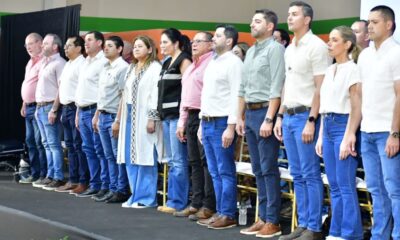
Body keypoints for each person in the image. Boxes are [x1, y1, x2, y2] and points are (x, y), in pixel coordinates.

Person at [273, 1, 330, 239]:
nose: (290, 18)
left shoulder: (316, 46)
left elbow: (321, 87)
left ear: (307, 19)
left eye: (295, 14)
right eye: (289, 14)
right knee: (296, 173)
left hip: (307, 116)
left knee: (309, 173)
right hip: (288, 116)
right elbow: (287, 83)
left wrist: (312, 120)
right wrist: (279, 115)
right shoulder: (289, 48)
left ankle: (314, 227)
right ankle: (303, 223)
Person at [236, 9, 285, 237]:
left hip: (266, 110)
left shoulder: (275, 49)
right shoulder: (252, 50)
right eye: (252, 20)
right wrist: (240, 116)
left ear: (270, 26)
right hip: (251, 112)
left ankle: (273, 220)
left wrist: (269, 118)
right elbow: (243, 88)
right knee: (257, 169)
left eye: (257, 21)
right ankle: (262, 216)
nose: (252, 24)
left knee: (268, 168)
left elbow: (277, 85)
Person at [315, 26, 363, 240]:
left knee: (345, 184)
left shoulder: (353, 69)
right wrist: (320, 136)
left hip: (344, 125)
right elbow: (324, 105)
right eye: (329, 39)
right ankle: (335, 231)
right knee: (333, 184)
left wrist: (349, 135)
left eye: (334, 40)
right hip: (328, 124)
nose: (330, 43)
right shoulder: (330, 69)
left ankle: (350, 233)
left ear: (347, 44)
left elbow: (356, 106)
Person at [358, 5, 400, 239]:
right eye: (368, 22)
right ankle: (379, 235)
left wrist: (395, 133)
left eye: (374, 22)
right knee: (375, 189)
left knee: (394, 189)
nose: (369, 26)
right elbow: (360, 96)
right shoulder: (364, 55)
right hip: (367, 132)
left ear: (389, 25)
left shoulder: (396, 52)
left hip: (387, 132)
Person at [197, 24, 243, 230]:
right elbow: (207, 95)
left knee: (225, 171)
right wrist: (200, 122)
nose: (213, 39)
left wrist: (231, 126)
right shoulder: (213, 61)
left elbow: (236, 95)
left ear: (229, 41)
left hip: (222, 122)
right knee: (214, 171)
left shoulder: (234, 63)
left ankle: (228, 213)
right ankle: (220, 210)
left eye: (217, 36)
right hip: (207, 121)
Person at [116, 35, 162, 209]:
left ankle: (147, 197)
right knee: (129, 157)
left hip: (144, 117)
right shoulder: (131, 68)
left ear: (150, 49)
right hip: (129, 116)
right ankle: (134, 194)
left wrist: (152, 117)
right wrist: (118, 119)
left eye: (140, 46)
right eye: (134, 46)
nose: (136, 49)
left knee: (145, 156)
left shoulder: (155, 68)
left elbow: (155, 94)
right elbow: (124, 95)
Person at [174, 31, 216, 220]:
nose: (194, 44)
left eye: (199, 41)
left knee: (206, 163)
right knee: (194, 162)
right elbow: (185, 97)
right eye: (193, 41)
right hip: (190, 115)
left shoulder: (211, 64)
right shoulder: (191, 66)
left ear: (210, 44)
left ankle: (208, 205)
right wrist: (182, 121)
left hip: (204, 116)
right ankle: (196, 203)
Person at [156, 28, 192, 214]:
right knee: (172, 160)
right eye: (160, 42)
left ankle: (178, 202)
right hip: (166, 117)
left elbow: (187, 91)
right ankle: (172, 200)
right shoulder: (166, 62)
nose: (161, 46)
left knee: (179, 161)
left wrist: (182, 120)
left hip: (178, 117)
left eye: (165, 42)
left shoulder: (184, 60)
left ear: (176, 43)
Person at [93, 35, 130, 203]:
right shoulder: (105, 67)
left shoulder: (123, 68)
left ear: (119, 49)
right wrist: (97, 114)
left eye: (109, 46)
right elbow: (102, 95)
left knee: (117, 155)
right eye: (105, 46)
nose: (105, 48)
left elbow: (124, 96)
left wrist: (118, 120)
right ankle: (111, 187)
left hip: (114, 116)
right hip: (103, 115)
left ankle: (121, 189)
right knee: (107, 155)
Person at [73, 31, 109, 197]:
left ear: (100, 43)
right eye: (85, 40)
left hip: (95, 110)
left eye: (89, 40)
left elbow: (103, 91)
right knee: (88, 149)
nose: (85, 43)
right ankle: (94, 184)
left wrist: (97, 113)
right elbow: (81, 90)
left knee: (99, 150)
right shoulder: (86, 61)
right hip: (82, 110)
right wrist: (78, 113)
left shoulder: (103, 61)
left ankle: (104, 185)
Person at [55, 36, 89, 193]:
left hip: (76, 108)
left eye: (69, 46)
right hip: (66, 108)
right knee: (70, 146)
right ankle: (73, 179)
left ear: (78, 48)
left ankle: (83, 181)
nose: (65, 48)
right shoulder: (69, 63)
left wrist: (77, 111)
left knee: (79, 146)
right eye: (66, 46)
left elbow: (82, 89)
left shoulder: (82, 64)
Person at [34, 33, 66, 190]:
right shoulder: (45, 62)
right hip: (40, 107)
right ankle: (50, 175)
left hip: (49, 107)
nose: (42, 46)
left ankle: (58, 176)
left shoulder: (59, 63)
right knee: (46, 143)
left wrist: (54, 109)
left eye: (45, 43)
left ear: (55, 46)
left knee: (53, 144)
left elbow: (61, 88)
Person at [20, 33, 47, 184]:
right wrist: (24, 102)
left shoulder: (44, 61)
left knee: (40, 142)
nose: (28, 47)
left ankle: (44, 174)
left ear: (40, 43)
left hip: (39, 107)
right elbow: (28, 83)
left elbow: (43, 87)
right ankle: (35, 173)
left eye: (31, 43)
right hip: (29, 106)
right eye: (26, 45)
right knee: (30, 141)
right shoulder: (30, 63)